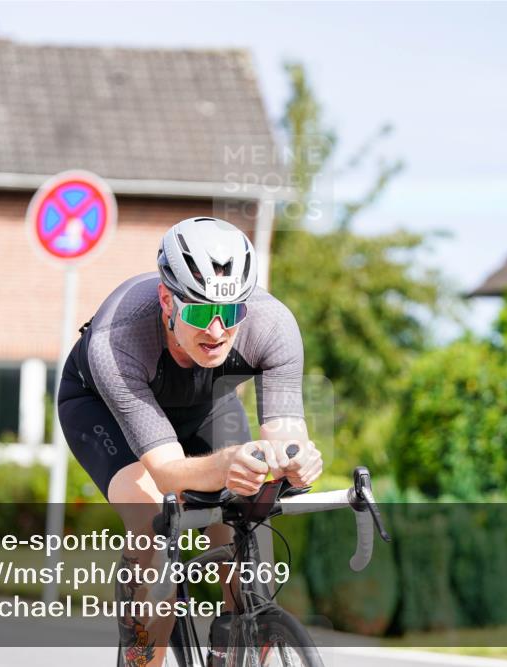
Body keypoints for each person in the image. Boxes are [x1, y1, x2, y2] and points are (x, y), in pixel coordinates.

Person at [57, 216, 323, 665]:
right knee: (154, 529)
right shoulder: (117, 339)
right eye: (199, 312)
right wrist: (227, 466)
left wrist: (296, 459)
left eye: (231, 313)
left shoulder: (273, 325)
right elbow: (168, 472)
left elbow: (285, 433)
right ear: (167, 300)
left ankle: (241, 635)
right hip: (102, 409)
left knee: (249, 525)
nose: (217, 331)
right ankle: (146, 652)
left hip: (205, 406)